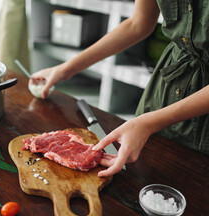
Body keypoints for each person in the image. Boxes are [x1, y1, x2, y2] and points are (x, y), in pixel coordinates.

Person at [30, 0, 209, 177]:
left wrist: (149, 123)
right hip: (165, 88)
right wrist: (65, 69)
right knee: (139, 176)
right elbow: (137, 24)